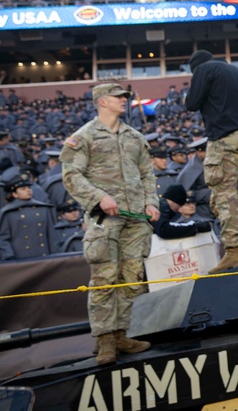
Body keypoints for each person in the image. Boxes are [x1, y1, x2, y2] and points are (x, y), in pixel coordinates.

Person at [60, 83, 160, 366]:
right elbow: (71, 176)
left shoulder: (134, 136)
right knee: (105, 280)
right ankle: (104, 340)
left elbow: (147, 174)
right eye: (119, 98)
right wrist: (99, 197)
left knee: (131, 280)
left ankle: (121, 335)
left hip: (136, 220)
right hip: (105, 220)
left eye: (125, 98)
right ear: (102, 102)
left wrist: (151, 202)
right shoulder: (84, 137)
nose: (124, 102)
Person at [185, 49, 238, 274]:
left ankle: (234, 250)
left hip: (224, 138)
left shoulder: (203, 69)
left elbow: (192, 102)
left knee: (224, 194)